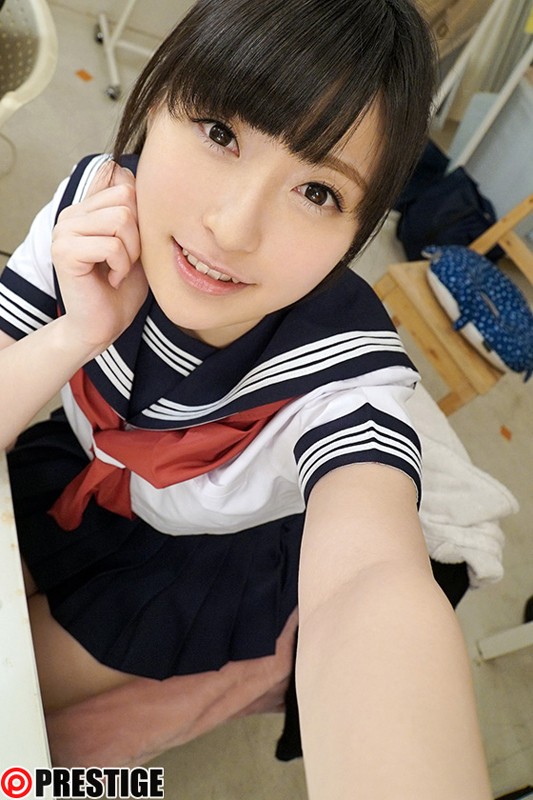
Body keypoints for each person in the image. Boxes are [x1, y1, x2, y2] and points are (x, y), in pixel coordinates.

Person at [0, 0, 492, 796]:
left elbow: (369, 576)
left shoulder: (343, 376)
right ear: (158, 97)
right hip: (78, 470)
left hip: (187, 561)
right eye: (219, 132)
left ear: (357, 232)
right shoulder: (98, 206)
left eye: (318, 192)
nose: (231, 229)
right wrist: (75, 333)